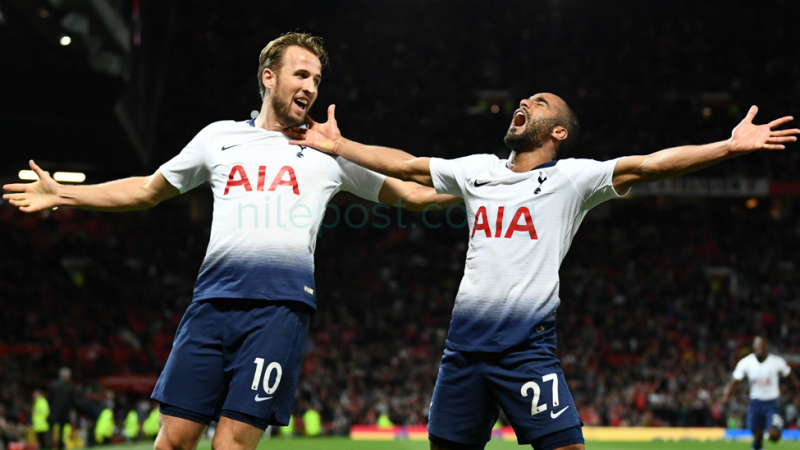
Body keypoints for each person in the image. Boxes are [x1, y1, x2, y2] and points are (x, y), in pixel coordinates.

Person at [3, 32, 458, 450]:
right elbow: (145, 190)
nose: (311, 87)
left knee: (230, 445)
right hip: (211, 307)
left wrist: (481, 185)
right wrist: (64, 194)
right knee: (171, 442)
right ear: (269, 77)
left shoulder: (328, 150)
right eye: (301, 75)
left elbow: (413, 190)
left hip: (278, 312)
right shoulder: (218, 138)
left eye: (317, 80)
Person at [284, 95, 799, 450]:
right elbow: (409, 166)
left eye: (540, 102)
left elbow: (649, 165)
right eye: (526, 98)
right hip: (463, 349)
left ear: (558, 131)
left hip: (525, 350)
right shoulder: (477, 170)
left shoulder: (573, 179)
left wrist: (727, 147)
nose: (525, 102)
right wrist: (341, 146)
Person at [721, 337, 800, 450]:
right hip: (756, 402)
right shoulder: (746, 363)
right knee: (756, 434)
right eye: (757, 345)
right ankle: (757, 446)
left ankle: (768, 430)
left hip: (772, 402)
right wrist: (726, 395)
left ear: (766, 347)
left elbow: (791, 378)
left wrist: (798, 394)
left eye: (762, 345)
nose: (760, 348)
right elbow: (734, 381)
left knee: (774, 435)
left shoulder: (777, 362)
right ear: (753, 347)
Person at [48, 368, 75, 450]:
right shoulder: (69, 386)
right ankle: (60, 445)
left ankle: (50, 443)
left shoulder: (53, 385)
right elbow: (71, 400)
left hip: (53, 410)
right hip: (64, 411)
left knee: (51, 427)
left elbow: (50, 398)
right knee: (62, 429)